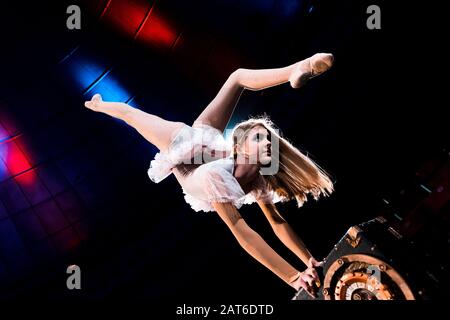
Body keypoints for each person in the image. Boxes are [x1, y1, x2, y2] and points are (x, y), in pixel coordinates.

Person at [84, 53, 335, 296]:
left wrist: (309, 261)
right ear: (240, 147)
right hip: (182, 142)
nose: (269, 143)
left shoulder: (258, 178)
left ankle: (300, 68)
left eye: (269, 138)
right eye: (259, 138)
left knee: (237, 77)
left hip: (213, 146)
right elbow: (242, 231)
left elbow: (277, 222)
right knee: (132, 115)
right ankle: (101, 104)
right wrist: (292, 277)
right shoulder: (216, 175)